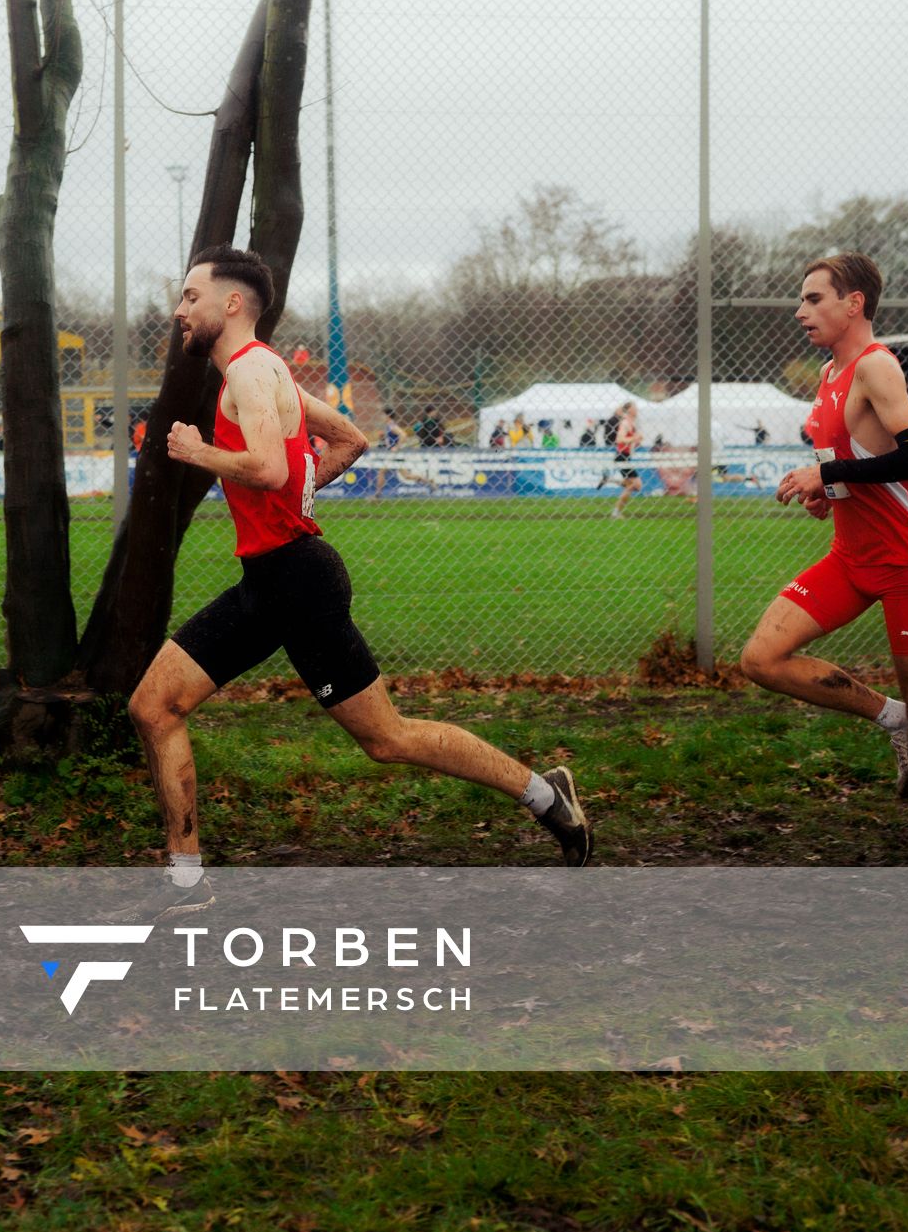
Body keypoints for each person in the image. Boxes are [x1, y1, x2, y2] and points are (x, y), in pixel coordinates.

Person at [128, 246, 593, 911]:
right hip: (273, 580)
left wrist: (201, 452)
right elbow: (350, 441)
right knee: (154, 706)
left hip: (296, 584)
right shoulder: (271, 376)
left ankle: (547, 796)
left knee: (387, 737)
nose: (180, 310)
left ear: (232, 304)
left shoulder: (253, 376)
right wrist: (297, 501)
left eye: (191, 296)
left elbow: (268, 469)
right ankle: (184, 880)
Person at [741, 252, 908, 799]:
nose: (800, 311)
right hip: (850, 558)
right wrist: (829, 492)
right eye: (802, 299)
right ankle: (894, 720)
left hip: (907, 562)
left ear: (853, 303)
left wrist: (828, 473)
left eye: (813, 298)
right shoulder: (828, 373)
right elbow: (850, 453)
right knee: (761, 659)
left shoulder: (876, 365)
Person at [597, 402, 643, 516]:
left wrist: (636, 441)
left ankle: (608, 480)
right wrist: (635, 438)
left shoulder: (631, 423)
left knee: (631, 484)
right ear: (630, 410)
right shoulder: (625, 423)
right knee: (635, 485)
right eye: (635, 408)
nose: (637, 409)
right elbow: (619, 439)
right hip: (622, 456)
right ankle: (616, 512)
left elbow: (629, 441)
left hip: (625, 456)